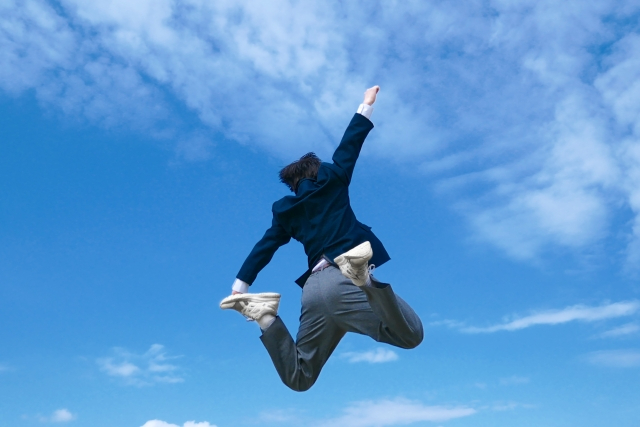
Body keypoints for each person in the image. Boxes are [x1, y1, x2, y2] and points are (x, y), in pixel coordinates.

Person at [220, 86, 423, 392]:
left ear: (292, 186)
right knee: (411, 334)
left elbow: (266, 245)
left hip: (313, 291)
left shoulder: (285, 211)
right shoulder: (334, 178)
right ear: (318, 171)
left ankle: (265, 318)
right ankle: (365, 280)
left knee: (300, 378)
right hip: (345, 279)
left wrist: (241, 284)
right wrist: (366, 104)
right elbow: (350, 144)